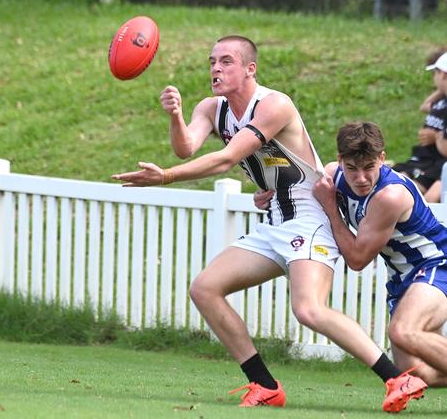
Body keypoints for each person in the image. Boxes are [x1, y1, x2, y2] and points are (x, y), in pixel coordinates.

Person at [112, 35, 426, 412]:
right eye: (212, 61)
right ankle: (264, 384)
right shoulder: (212, 108)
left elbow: (227, 159)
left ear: (250, 69)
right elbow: (186, 148)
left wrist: (165, 177)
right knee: (205, 288)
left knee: (309, 309)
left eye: (226, 61)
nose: (215, 68)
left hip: (310, 216)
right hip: (276, 217)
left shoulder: (275, 105)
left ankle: (397, 377)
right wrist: (176, 116)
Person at [311, 121, 447, 392]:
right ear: (339, 161)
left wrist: (330, 208)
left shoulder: (390, 195)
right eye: (351, 168)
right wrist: (267, 195)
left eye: (369, 167)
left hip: (436, 263)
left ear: (382, 159)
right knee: (418, 373)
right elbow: (294, 188)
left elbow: (358, 260)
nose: (361, 178)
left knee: (402, 330)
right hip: (401, 278)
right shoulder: (331, 175)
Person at [392, 49, 447, 203]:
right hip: (422, 158)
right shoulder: (441, 100)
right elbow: (425, 106)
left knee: (405, 192)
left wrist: (434, 137)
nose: (433, 78)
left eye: (435, 73)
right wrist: (441, 88)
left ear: (443, 74)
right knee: (392, 178)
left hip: (435, 163)